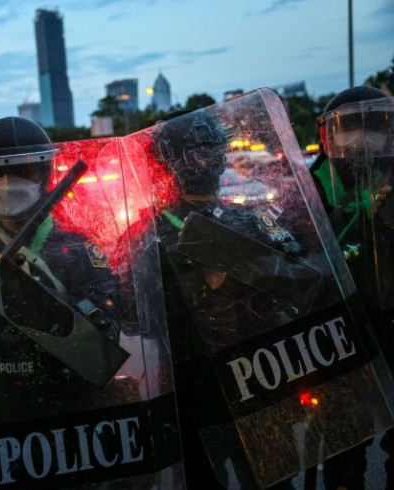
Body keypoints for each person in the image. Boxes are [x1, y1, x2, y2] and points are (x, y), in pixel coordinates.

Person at [0, 117, 125, 426]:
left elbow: (106, 344)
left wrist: (29, 285)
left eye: (24, 170)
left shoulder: (79, 252)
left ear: (45, 175)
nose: (9, 182)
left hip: (77, 419)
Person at [151, 109, 299, 490]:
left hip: (257, 377)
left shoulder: (248, 219)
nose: (206, 159)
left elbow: (295, 278)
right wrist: (199, 284)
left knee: (272, 476)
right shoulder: (151, 234)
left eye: (211, 148)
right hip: (193, 390)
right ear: (170, 160)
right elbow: (140, 316)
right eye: (193, 151)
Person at [311, 86, 394, 490]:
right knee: (344, 443)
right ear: (326, 135)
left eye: (373, 126)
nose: (360, 139)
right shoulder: (309, 188)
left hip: (391, 319)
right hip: (338, 333)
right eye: (349, 128)